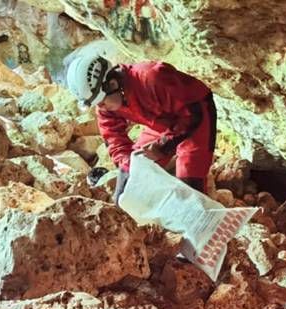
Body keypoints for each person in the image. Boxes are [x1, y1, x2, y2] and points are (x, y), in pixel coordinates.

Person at [66, 55, 216, 201]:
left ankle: (202, 217)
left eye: (101, 101)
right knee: (133, 171)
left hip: (194, 111)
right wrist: (127, 173)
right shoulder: (107, 105)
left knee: (190, 187)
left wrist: (161, 147)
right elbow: (114, 140)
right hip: (160, 123)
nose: (101, 107)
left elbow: (192, 114)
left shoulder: (151, 78)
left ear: (112, 84)